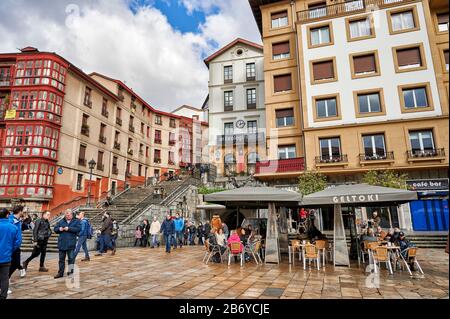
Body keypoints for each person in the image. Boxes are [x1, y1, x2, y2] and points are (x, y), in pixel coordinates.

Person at [53, 209, 81, 279]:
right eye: (66, 215)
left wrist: (69, 228)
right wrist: (59, 229)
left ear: (72, 214)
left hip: (71, 243)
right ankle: (60, 273)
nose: (67, 216)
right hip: (62, 243)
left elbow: (78, 229)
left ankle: (70, 272)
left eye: (68, 215)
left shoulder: (76, 221)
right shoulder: (61, 221)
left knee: (71, 259)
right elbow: (55, 229)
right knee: (61, 259)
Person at [0, 208, 21, 299]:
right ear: (7, 215)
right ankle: (3, 296)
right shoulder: (13, 227)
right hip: (6, 256)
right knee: (5, 278)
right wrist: (10, 250)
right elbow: (18, 241)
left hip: (6, 255)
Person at [9, 205, 25, 279]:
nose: (23, 212)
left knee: (15, 264)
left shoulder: (18, 220)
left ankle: (5, 281)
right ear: (19, 211)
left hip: (16, 246)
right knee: (11, 264)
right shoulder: (11, 220)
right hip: (11, 246)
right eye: (23, 211)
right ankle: (4, 281)